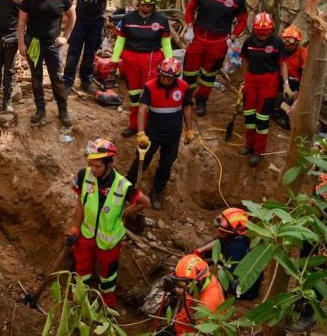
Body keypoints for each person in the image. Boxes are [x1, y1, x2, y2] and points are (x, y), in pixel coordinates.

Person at [68, 138, 151, 307]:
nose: (93, 169)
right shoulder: (84, 175)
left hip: (109, 242)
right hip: (86, 235)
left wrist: (123, 213)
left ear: (109, 164)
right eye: (91, 164)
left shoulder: (122, 185)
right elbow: (80, 203)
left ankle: (106, 308)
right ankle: (77, 303)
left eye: (97, 166)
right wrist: (75, 228)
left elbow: (145, 202)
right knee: (81, 271)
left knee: (108, 278)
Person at [126, 58, 193, 210]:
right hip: (153, 132)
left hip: (173, 134)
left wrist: (189, 129)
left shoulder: (183, 87)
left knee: (166, 164)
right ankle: (127, 187)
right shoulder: (150, 87)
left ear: (175, 77)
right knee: (142, 159)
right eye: (163, 76)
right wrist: (141, 132)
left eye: (169, 78)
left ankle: (156, 191)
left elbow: (187, 107)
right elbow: (142, 109)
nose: (165, 80)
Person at [111, 0, 173, 138]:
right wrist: (114, 59)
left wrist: (170, 61)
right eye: (142, 4)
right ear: (138, 2)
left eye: (149, 5)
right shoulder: (128, 18)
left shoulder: (161, 19)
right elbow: (120, 40)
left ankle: (151, 126)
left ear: (154, 5)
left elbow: (166, 42)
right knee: (134, 95)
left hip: (152, 59)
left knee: (150, 94)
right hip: (131, 59)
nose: (145, 7)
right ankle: (134, 125)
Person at [182, 0, 248, 117]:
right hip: (197, 39)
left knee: (208, 74)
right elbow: (190, 8)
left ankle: (201, 100)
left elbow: (242, 20)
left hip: (218, 43)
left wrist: (233, 37)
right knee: (189, 71)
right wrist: (189, 28)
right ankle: (186, 98)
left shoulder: (237, 0)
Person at [17, 0, 76, 126]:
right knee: (36, 77)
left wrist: (66, 37)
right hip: (34, 43)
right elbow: (22, 21)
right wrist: (21, 43)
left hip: (52, 44)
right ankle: (40, 109)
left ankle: (62, 110)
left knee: (57, 77)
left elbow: (72, 15)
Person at [238, 12, 290, 167]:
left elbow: (282, 64)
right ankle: (249, 145)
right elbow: (245, 60)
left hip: (269, 81)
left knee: (262, 117)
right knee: (249, 115)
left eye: (265, 31)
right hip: (252, 80)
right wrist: (245, 79)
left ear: (271, 29)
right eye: (259, 31)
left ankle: (258, 151)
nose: (262, 34)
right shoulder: (248, 42)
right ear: (254, 29)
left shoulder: (277, 43)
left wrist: (286, 84)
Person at [193, 207, 263, 300]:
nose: (218, 233)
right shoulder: (235, 237)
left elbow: (230, 274)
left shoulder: (235, 248)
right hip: (237, 270)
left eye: (222, 232)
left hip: (244, 287)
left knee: (213, 281)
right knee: (211, 247)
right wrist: (200, 250)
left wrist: (207, 267)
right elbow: (219, 242)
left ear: (232, 234)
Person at [63, 0, 116, 93]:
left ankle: (86, 81)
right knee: (73, 52)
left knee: (90, 53)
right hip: (80, 19)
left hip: (97, 20)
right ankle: (67, 82)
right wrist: (67, 11)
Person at [154, 254, 225, 335]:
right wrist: (174, 290)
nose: (180, 286)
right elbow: (191, 294)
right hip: (183, 324)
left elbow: (201, 333)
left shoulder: (206, 306)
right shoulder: (207, 279)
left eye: (181, 283)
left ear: (198, 281)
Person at [271, 24, 307, 130]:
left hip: (293, 81)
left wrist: (300, 90)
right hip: (278, 76)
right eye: (285, 43)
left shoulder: (302, 52)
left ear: (297, 42)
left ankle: (284, 116)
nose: (288, 46)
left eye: (291, 44)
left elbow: (304, 72)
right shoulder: (279, 49)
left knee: (290, 91)